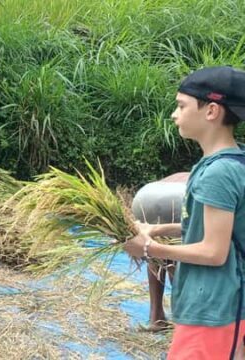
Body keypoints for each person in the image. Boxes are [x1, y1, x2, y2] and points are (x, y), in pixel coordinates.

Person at [124, 66, 245, 359]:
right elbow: (217, 227)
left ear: (211, 110)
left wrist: (150, 248)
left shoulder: (219, 173)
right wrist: (158, 230)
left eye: (181, 106)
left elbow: (214, 252)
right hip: (211, 304)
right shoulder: (223, 162)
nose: (174, 114)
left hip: (215, 308)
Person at [131, 172, 187, 332]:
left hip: (146, 196)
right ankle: (181, 319)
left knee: (154, 250)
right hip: (178, 197)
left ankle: (156, 317)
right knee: (176, 254)